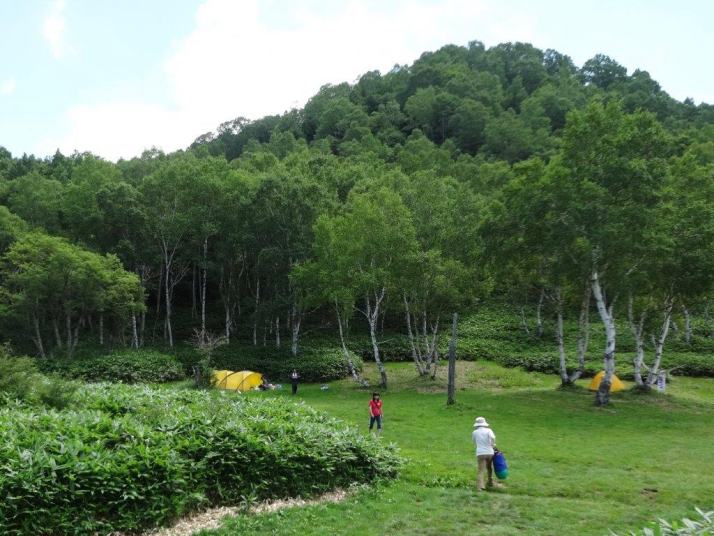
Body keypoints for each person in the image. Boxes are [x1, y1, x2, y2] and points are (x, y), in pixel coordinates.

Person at [472, 416, 498, 491]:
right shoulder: (489, 430)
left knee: (480, 470)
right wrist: (492, 444)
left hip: (480, 452)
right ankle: (490, 481)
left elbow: (474, 441)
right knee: (489, 467)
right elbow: (493, 437)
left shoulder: (475, 432)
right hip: (489, 452)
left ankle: (480, 486)